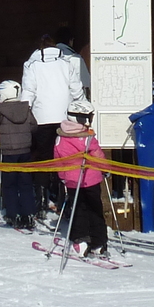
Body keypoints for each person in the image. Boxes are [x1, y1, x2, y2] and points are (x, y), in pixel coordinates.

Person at [21, 29, 85, 211]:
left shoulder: (31, 65)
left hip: (41, 119)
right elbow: (76, 89)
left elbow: (28, 91)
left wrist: (23, 112)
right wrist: (82, 107)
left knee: (43, 158)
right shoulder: (66, 63)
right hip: (64, 119)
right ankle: (62, 198)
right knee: (64, 157)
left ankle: (41, 198)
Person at [0, 79, 39, 229]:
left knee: (10, 185)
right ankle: (28, 214)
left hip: (9, 153)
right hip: (25, 151)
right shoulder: (26, 108)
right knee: (25, 184)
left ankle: (13, 213)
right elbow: (34, 126)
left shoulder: (1, 110)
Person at [54, 99, 109, 257]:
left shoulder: (60, 137)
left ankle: (80, 239)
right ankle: (98, 242)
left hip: (71, 181)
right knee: (94, 209)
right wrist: (104, 169)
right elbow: (98, 155)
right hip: (90, 180)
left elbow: (58, 160)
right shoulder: (87, 137)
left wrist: (62, 177)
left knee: (78, 210)